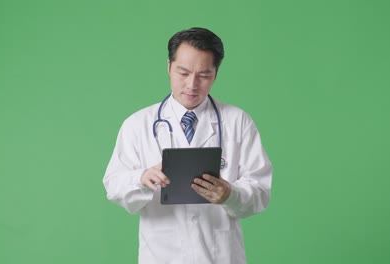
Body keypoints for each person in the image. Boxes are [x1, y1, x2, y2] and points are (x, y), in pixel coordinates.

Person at [103, 27, 272, 264]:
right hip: (162, 255)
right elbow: (113, 185)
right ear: (169, 67)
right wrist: (141, 179)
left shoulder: (238, 122)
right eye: (183, 73)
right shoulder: (138, 124)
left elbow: (261, 192)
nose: (192, 84)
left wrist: (230, 195)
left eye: (204, 75)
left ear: (216, 74)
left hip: (221, 256)